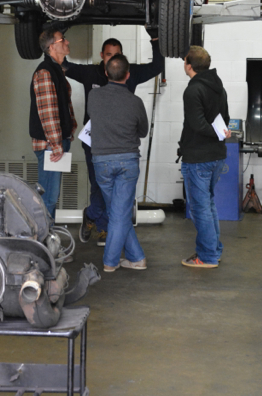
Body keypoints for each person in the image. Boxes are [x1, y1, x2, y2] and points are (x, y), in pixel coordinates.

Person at [64, 31, 163, 246]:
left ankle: (95, 219)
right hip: (95, 142)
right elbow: (65, 66)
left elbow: (157, 67)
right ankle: (102, 225)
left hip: (121, 144)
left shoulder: (129, 72)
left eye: (116, 55)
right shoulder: (90, 73)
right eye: (108, 55)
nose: (112, 59)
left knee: (112, 190)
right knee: (98, 185)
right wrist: (59, 41)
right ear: (102, 55)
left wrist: (155, 39)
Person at [88, 54, 148, 272]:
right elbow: (143, 131)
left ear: (106, 73)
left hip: (101, 162)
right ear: (128, 75)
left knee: (117, 213)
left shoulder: (93, 96)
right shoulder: (135, 102)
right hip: (127, 162)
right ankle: (112, 262)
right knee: (119, 214)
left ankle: (135, 258)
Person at [178, 45, 231, 269]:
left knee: (200, 209)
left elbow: (198, 124)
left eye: (184, 61)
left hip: (198, 158)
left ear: (189, 65)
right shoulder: (219, 87)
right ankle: (213, 251)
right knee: (208, 205)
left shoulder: (193, 90)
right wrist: (221, 133)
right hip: (217, 156)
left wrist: (218, 133)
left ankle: (207, 256)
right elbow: (225, 118)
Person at [30, 29, 77, 220]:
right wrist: (56, 144)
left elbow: (62, 104)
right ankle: (41, 236)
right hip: (50, 145)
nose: (67, 42)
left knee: (51, 196)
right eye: (62, 40)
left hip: (56, 143)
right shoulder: (44, 72)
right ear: (52, 47)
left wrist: (70, 128)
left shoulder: (56, 70)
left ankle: (47, 234)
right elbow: (48, 113)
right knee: (48, 197)